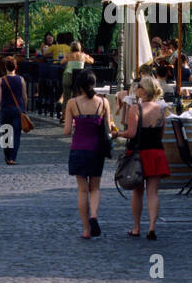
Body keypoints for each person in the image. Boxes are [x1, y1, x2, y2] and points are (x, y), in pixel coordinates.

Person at [63, 69, 113, 239]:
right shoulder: (103, 103)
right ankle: (94, 215)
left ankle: (86, 229)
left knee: (82, 190)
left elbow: (67, 130)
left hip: (78, 148)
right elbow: (108, 127)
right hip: (96, 149)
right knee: (95, 187)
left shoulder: (72, 103)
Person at [122, 73, 170, 240]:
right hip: (156, 152)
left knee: (137, 192)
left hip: (139, 153)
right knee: (153, 192)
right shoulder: (161, 110)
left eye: (140, 86)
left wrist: (117, 134)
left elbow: (131, 133)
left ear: (145, 91)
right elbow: (161, 133)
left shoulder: (136, 108)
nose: (138, 88)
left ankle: (136, 227)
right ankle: (152, 226)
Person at [0, 56, 27, 166]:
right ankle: (12, 157)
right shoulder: (21, 79)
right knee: (16, 134)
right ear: (16, 67)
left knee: (6, 132)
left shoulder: (1, 80)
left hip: (6, 109)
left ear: (5, 67)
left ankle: (7, 155)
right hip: (18, 109)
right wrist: (24, 108)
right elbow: (24, 96)